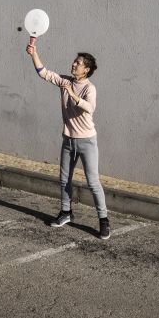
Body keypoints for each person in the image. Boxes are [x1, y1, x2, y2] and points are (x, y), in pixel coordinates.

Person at [25, 44, 111, 240]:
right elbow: (43, 72)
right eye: (75, 61)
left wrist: (72, 94)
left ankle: (104, 221)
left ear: (86, 69)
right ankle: (66, 212)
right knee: (64, 179)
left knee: (93, 182)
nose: (74, 64)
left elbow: (90, 108)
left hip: (87, 141)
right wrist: (34, 53)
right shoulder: (64, 80)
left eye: (78, 63)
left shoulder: (90, 88)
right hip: (68, 140)